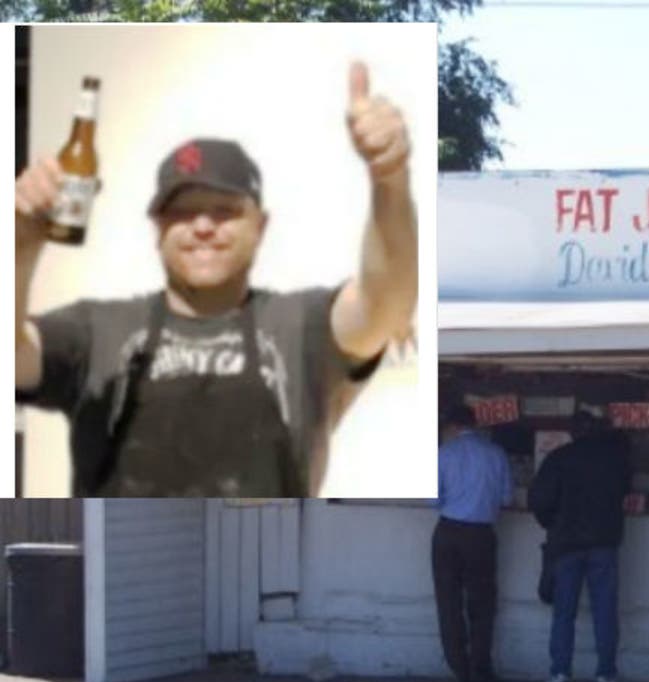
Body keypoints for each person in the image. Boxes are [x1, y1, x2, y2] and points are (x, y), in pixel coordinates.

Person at [14, 61, 417, 497]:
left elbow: (386, 303)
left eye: (224, 211)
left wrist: (389, 179)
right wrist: (20, 243)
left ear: (260, 226)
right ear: (157, 227)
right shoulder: (94, 330)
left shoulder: (302, 325)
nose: (203, 226)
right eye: (182, 212)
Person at [529, 410, 632, 682]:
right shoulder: (614, 459)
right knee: (605, 610)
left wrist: (553, 524)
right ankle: (606, 676)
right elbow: (626, 489)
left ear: (572, 432)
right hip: (604, 541)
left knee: (564, 611)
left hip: (566, 543)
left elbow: (539, 500)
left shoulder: (559, 458)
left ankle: (559, 673)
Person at [433, 403, 513, 682]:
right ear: (474, 424)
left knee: (448, 602)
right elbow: (506, 498)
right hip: (481, 534)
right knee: (482, 603)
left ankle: (460, 669)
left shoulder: (443, 454)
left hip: (448, 531)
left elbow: (433, 499)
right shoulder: (496, 454)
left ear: (452, 426)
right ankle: (482, 669)